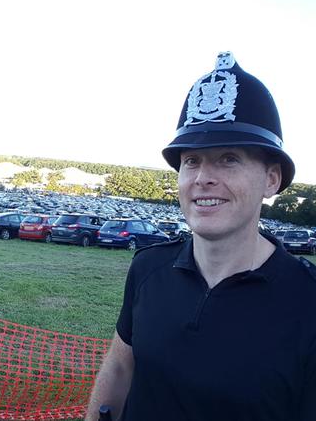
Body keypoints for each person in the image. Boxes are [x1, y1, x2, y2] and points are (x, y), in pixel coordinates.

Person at [85, 52, 316, 421]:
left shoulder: (307, 300)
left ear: (271, 179)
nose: (202, 178)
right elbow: (120, 366)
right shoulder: (147, 269)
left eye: (229, 159)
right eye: (191, 161)